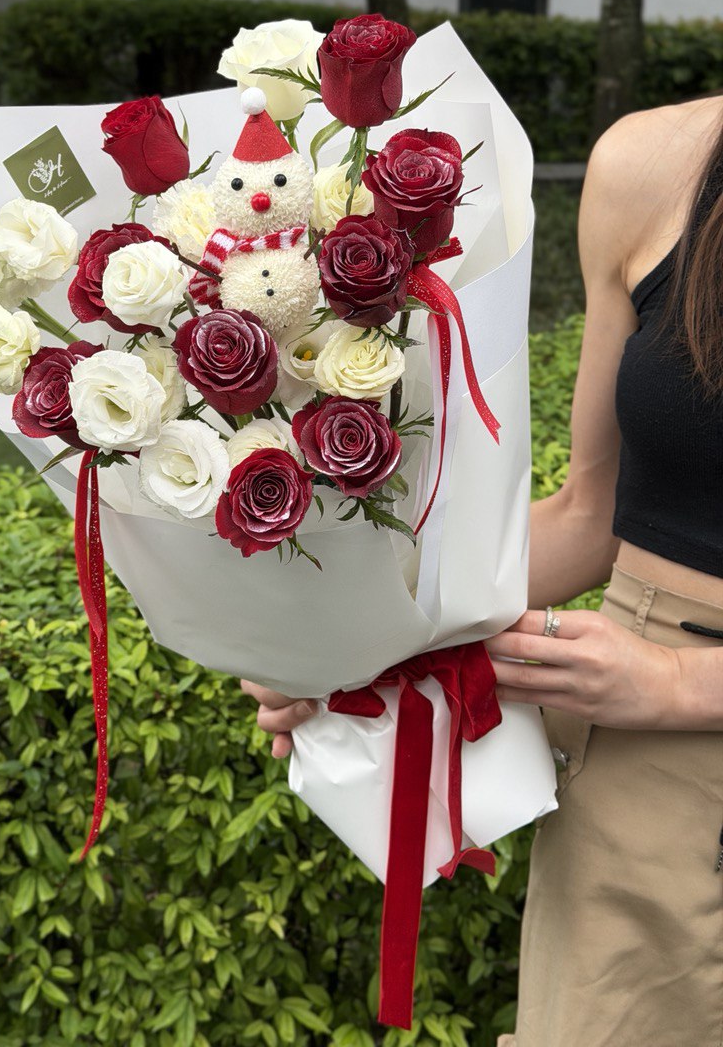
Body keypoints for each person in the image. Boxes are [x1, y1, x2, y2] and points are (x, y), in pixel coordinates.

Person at [242, 96, 723, 1047]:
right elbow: (593, 516)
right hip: (647, 792)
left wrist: (677, 679)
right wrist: (349, 641)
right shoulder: (654, 167)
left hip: (657, 695)